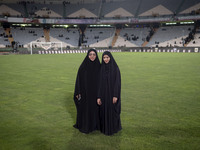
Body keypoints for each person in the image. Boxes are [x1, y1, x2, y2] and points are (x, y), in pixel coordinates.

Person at [73, 49, 100, 133]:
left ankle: (95, 125)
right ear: (87, 56)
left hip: (96, 93)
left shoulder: (99, 66)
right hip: (85, 93)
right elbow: (78, 80)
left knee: (95, 109)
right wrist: (78, 91)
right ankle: (86, 125)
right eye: (90, 54)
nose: (92, 56)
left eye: (94, 54)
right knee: (86, 109)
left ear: (96, 56)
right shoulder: (83, 66)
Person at [97, 51, 122, 135]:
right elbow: (99, 84)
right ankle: (104, 128)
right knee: (103, 111)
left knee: (112, 111)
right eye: (104, 58)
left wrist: (115, 95)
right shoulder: (101, 68)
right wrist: (99, 96)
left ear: (110, 58)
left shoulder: (115, 68)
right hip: (103, 94)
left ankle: (113, 128)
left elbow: (117, 83)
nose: (105, 59)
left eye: (107, 57)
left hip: (112, 94)